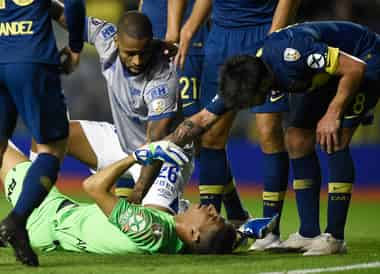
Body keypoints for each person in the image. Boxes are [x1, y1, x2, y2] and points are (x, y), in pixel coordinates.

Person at [160, 21, 380, 256]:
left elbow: (355, 68)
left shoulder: (293, 55)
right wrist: (161, 147)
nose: (250, 108)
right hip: (329, 75)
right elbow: (202, 119)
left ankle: (335, 237)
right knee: (296, 139)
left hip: (366, 58)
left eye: (250, 102)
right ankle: (308, 233)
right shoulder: (246, 75)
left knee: (335, 138)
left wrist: (333, 113)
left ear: (263, 89)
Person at [0, 142, 277, 255]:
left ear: (194, 233)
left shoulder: (150, 230)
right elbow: (217, 243)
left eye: (211, 216)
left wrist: (136, 156)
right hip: (60, 216)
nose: (210, 207)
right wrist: (241, 233)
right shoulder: (170, 234)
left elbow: (92, 186)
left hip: (45, 219)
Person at [32, 8, 194, 215]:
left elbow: (156, 141)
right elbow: (68, 17)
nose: (137, 61)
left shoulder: (163, 79)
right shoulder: (105, 37)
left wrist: (138, 195)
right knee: (48, 133)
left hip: (163, 158)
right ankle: (33, 210)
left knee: (149, 229)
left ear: (151, 43)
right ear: (116, 41)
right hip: (123, 145)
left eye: (143, 53)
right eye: (130, 54)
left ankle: (180, 209)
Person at [170, 0, 300, 250]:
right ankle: (211, 230)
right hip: (221, 37)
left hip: (263, 31)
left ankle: (270, 231)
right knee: (210, 136)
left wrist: (274, 37)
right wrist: (188, 29)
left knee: (269, 132)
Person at [0, 0, 85, 267]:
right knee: (52, 148)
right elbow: (75, 5)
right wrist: (76, 46)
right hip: (33, 60)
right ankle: (17, 220)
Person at [138, 0, 249, 226]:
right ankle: (236, 212)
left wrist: (176, 31)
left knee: (197, 131)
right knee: (162, 127)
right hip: (155, 38)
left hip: (185, 42)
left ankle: (222, 215)